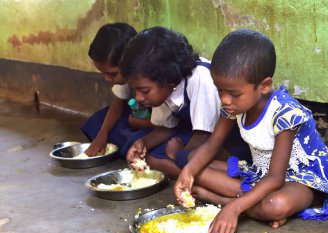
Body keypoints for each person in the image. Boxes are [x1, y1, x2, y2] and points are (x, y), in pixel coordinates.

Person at [174, 29, 328, 233]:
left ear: (264, 85)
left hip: (301, 180)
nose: (225, 100)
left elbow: (277, 178)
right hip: (261, 174)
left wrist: (234, 209)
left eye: (234, 94)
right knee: (194, 163)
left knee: (276, 205)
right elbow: (211, 146)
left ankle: (223, 200)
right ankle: (249, 204)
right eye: (220, 91)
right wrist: (188, 173)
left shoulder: (285, 114)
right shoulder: (233, 107)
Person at [119, 26, 250, 178]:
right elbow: (168, 127)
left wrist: (178, 152)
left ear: (166, 78)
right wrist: (143, 143)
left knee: (176, 158)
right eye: (135, 91)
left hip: (227, 143)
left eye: (145, 91)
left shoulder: (200, 79)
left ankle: (215, 179)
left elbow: (203, 137)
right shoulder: (166, 87)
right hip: (198, 137)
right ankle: (201, 177)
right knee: (152, 156)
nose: (138, 98)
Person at [81, 23, 154, 157]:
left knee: (134, 138)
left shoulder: (153, 79)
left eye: (113, 74)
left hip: (154, 122)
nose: (107, 79)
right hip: (137, 115)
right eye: (104, 73)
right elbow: (118, 104)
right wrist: (101, 135)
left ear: (129, 62)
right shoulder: (126, 75)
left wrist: (134, 121)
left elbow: (167, 122)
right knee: (98, 121)